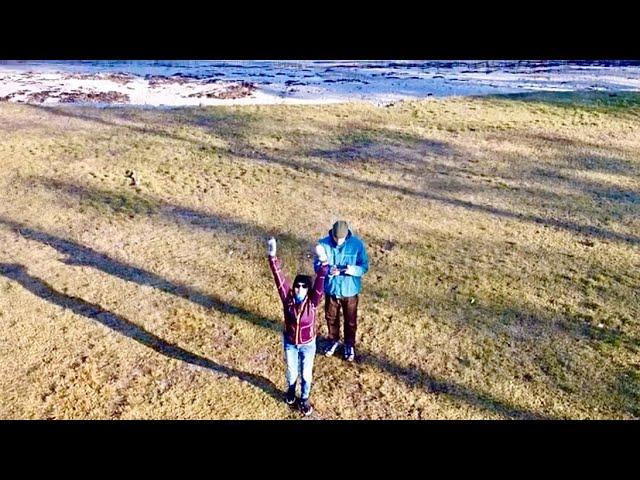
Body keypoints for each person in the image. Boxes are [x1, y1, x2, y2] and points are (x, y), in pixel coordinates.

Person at [267, 236, 329, 416]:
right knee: (292, 372)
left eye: (303, 286)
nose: (299, 289)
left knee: (307, 374)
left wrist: (323, 261)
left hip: (308, 345)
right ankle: (291, 392)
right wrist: (272, 256)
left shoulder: (312, 302)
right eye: (297, 285)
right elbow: (278, 279)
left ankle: (304, 398)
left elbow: (320, 280)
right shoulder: (287, 300)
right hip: (290, 343)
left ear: (307, 290)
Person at [314, 220, 368, 362]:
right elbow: (317, 266)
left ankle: (349, 345)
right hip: (331, 289)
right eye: (336, 238)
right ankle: (333, 340)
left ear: (347, 235)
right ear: (332, 233)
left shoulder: (357, 245)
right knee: (331, 317)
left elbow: (364, 267)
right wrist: (327, 270)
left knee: (350, 320)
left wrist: (352, 270)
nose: (338, 241)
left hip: (350, 291)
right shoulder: (323, 244)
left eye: (341, 239)